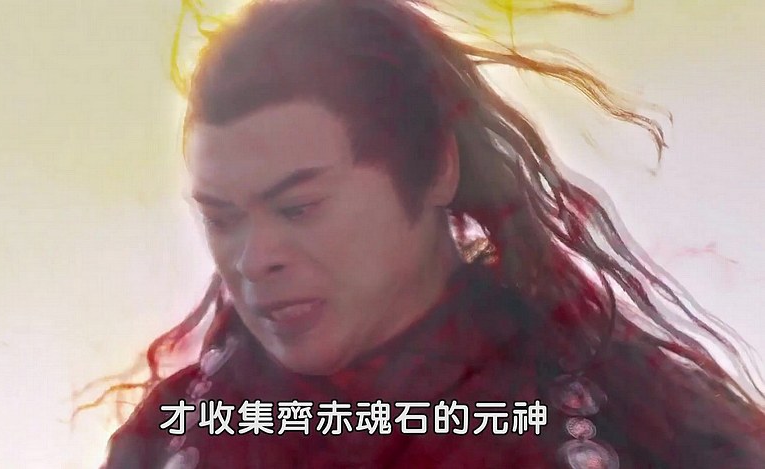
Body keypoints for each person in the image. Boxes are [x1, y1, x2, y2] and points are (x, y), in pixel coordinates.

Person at [98, 0, 765, 467]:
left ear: (436, 168)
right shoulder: (167, 441)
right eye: (222, 218)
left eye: (299, 208)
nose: (254, 259)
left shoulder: (630, 422)